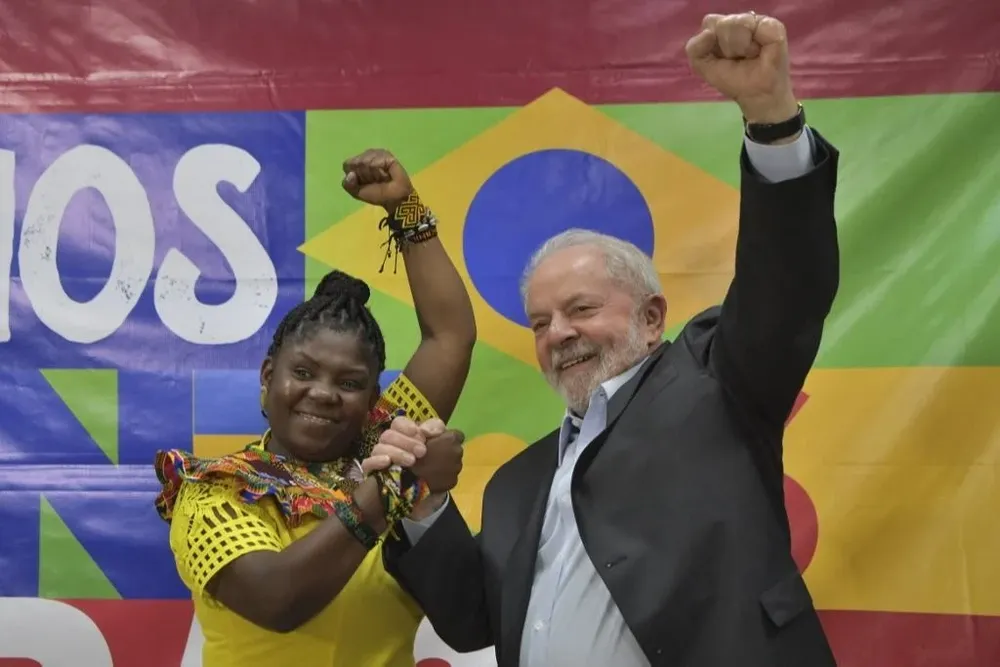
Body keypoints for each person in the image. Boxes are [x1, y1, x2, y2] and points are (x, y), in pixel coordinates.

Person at [366, 13, 840, 667]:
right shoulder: (515, 483)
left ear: (652, 318)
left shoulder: (718, 387)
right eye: (539, 322)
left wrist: (771, 119)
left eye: (581, 308)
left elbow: (785, 286)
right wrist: (424, 506)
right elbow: (475, 622)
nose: (558, 333)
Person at [152, 149, 475, 666]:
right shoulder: (212, 490)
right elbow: (278, 599)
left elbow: (450, 337)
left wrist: (406, 208)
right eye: (302, 373)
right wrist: (403, 482)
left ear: (372, 400)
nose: (323, 393)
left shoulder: (381, 443)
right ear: (267, 376)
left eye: (349, 383)